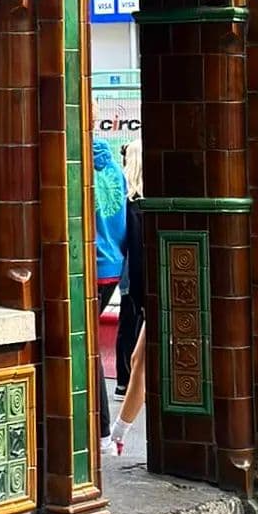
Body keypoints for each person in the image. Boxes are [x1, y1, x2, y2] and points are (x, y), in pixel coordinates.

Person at [93, 118, 128, 447]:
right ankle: (102, 431)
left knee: (84, 347)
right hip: (113, 265)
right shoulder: (114, 169)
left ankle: (101, 429)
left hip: (90, 266)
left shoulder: (74, 166)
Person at [108, 162, 145, 455]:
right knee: (139, 359)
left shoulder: (136, 206)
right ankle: (119, 433)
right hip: (153, 294)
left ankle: (119, 433)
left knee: (140, 360)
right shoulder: (138, 204)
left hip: (147, 292)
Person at [115, 140, 145, 394]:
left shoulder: (126, 201)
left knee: (127, 322)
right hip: (137, 275)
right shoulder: (139, 205)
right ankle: (130, 378)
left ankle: (124, 379)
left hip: (126, 271)